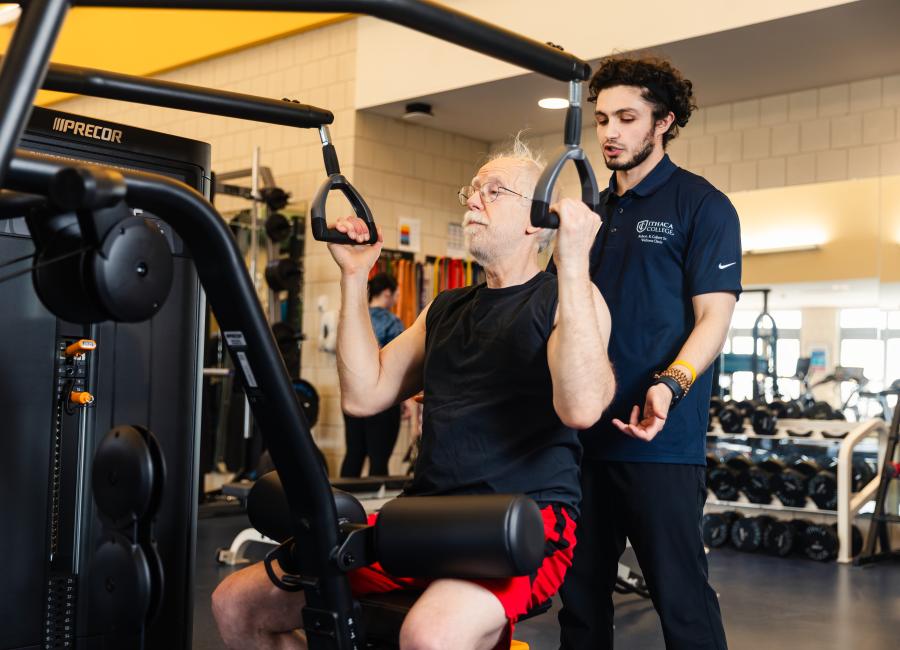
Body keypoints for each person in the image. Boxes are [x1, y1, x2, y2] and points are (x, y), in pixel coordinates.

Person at [211, 142, 616, 650]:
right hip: (425, 517)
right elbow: (364, 394)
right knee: (236, 604)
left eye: (494, 191)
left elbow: (581, 408)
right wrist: (354, 277)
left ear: (537, 220)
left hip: (521, 521)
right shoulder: (445, 309)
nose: (472, 200)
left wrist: (574, 262)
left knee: (430, 634)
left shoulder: (568, 299)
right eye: (473, 190)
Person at [556, 55, 741, 650]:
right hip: (581, 438)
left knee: (680, 600)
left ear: (662, 122)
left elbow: (714, 318)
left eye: (627, 118)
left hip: (660, 440)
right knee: (579, 603)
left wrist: (670, 384)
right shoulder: (590, 212)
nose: (609, 132)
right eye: (603, 118)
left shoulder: (702, 205)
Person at [340, 272, 407, 477]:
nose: (396, 299)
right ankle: (377, 509)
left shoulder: (355, 321)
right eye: (396, 294)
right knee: (379, 459)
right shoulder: (392, 322)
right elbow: (399, 364)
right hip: (382, 399)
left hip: (353, 396)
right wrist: (405, 400)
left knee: (354, 454)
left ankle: (339, 506)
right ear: (387, 293)